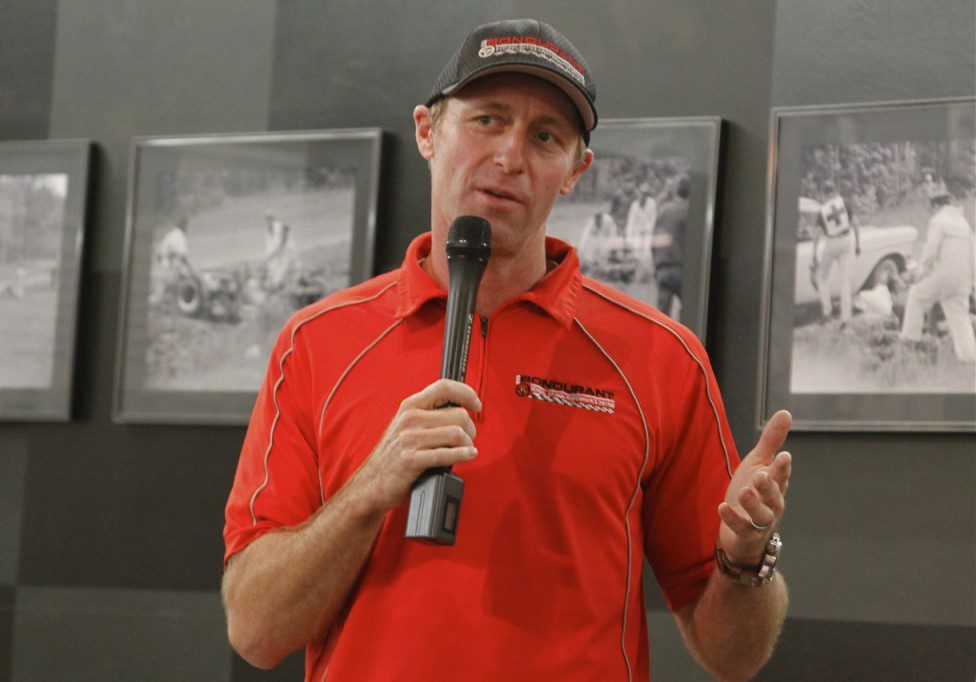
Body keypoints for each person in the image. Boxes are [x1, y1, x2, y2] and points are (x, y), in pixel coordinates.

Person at [222, 19, 792, 681]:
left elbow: (734, 655)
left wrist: (745, 561)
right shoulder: (318, 342)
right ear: (427, 132)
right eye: (487, 120)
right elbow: (256, 630)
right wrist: (370, 490)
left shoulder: (660, 357)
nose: (510, 156)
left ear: (575, 170)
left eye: (545, 136)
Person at [900, 188, 976, 362]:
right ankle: (969, 358)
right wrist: (973, 283)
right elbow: (973, 255)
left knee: (916, 297)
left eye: (930, 206)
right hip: (962, 279)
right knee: (960, 317)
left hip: (943, 275)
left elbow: (930, 253)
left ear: (936, 205)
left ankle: (909, 342)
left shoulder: (938, 221)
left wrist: (919, 275)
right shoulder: (963, 222)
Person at [810, 180, 861, 325]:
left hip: (832, 242)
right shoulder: (844, 203)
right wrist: (858, 244)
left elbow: (817, 234)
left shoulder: (822, 210)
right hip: (847, 240)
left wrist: (814, 253)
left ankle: (827, 312)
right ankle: (846, 317)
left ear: (825, 194)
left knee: (821, 277)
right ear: (835, 191)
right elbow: (855, 224)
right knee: (845, 279)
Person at [651, 176, 689, 318]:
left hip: (663, 268)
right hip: (681, 268)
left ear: (677, 191)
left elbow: (654, 241)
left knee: (662, 317)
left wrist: (656, 266)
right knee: (688, 314)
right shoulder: (690, 211)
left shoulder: (664, 210)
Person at [149, 216, 192, 305]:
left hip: (163, 264)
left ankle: (161, 302)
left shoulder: (171, 234)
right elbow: (182, 255)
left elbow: (159, 252)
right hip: (169, 265)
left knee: (162, 291)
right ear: (183, 226)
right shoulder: (180, 236)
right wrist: (189, 268)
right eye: (186, 225)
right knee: (182, 280)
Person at [625, 181, 657, 263]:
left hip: (649, 233)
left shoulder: (652, 204)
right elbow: (630, 223)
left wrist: (646, 231)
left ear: (647, 195)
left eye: (644, 194)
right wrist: (629, 239)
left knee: (647, 253)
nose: (642, 196)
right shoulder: (634, 205)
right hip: (637, 233)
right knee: (636, 253)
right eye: (641, 193)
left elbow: (653, 221)